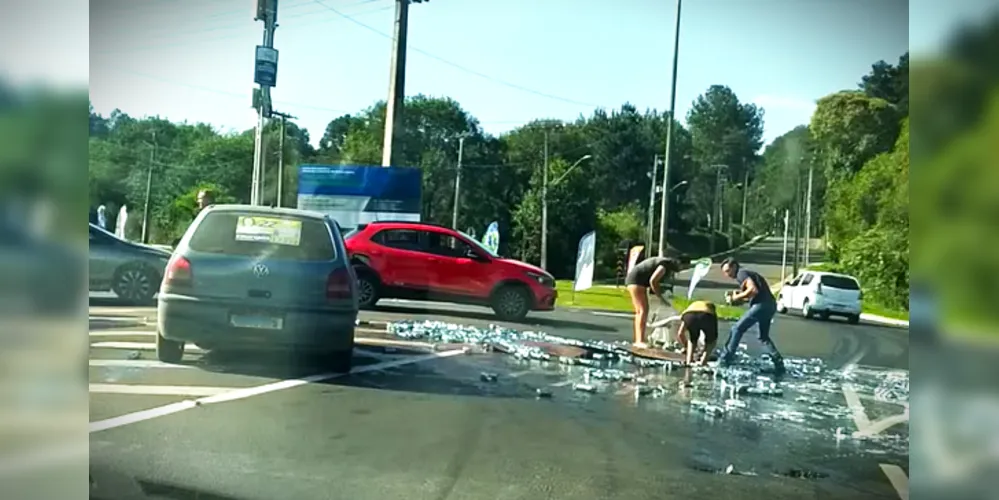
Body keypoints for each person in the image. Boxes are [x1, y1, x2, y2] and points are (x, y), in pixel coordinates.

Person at [717, 257, 785, 375]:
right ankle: (779, 363)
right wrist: (737, 299)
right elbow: (752, 294)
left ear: (734, 267)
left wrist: (735, 297)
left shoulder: (741, 273)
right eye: (725, 273)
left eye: (728, 271)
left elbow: (753, 290)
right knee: (763, 337)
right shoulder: (747, 274)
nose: (727, 275)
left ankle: (725, 360)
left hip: (761, 305)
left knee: (737, 328)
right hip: (770, 305)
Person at [625, 256, 681, 348]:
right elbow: (653, 281)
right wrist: (660, 297)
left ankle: (639, 339)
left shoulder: (663, 263)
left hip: (636, 281)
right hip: (636, 281)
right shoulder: (664, 265)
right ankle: (639, 340)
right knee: (642, 311)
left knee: (641, 311)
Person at [675, 300, 719, 366]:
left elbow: (680, 333)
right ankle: (703, 362)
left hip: (689, 316)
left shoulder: (690, 309)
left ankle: (689, 361)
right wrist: (704, 350)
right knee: (711, 341)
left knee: (692, 339)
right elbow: (712, 336)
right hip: (706, 315)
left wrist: (686, 346)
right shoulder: (711, 310)